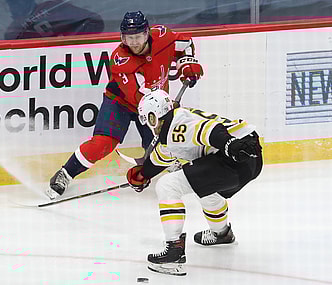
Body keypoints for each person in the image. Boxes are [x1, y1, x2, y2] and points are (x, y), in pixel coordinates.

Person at [47, 11, 204, 199]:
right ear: (122, 37)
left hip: (154, 102)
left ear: (147, 33)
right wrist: (164, 114)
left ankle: (176, 169)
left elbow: (185, 43)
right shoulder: (120, 59)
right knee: (102, 144)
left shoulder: (163, 35)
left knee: (164, 143)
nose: (134, 42)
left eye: (138, 37)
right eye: (129, 38)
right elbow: (139, 98)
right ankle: (65, 173)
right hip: (121, 103)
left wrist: (186, 63)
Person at [126, 90, 263, 276]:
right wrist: (143, 174)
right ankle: (221, 233)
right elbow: (162, 156)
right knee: (207, 190)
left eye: (149, 119)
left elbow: (210, 131)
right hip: (248, 160)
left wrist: (229, 144)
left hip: (236, 156)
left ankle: (174, 252)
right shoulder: (174, 127)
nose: (150, 126)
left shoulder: (177, 126)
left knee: (168, 186)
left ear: (154, 116)